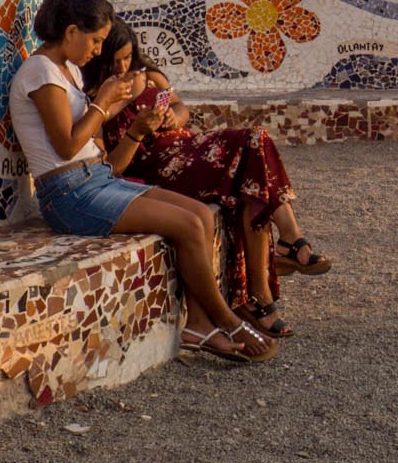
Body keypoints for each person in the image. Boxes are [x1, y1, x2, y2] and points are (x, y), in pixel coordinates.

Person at [6, 0, 276, 365]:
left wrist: (123, 103)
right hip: (67, 194)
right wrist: (102, 102)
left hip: (95, 178)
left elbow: (86, 133)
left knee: (200, 215)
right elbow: (65, 146)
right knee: (185, 225)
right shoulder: (40, 72)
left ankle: (199, 324)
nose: (98, 51)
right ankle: (226, 319)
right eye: (95, 41)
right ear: (70, 32)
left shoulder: (67, 71)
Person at [83, 19, 331, 339]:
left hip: (190, 147)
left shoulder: (149, 77)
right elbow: (110, 169)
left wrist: (175, 117)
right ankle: (282, 257)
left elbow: (181, 109)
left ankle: (269, 276)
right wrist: (134, 131)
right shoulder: (97, 102)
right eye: (114, 60)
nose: (122, 66)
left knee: (255, 155)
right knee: (252, 155)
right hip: (158, 167)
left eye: (127, 57)